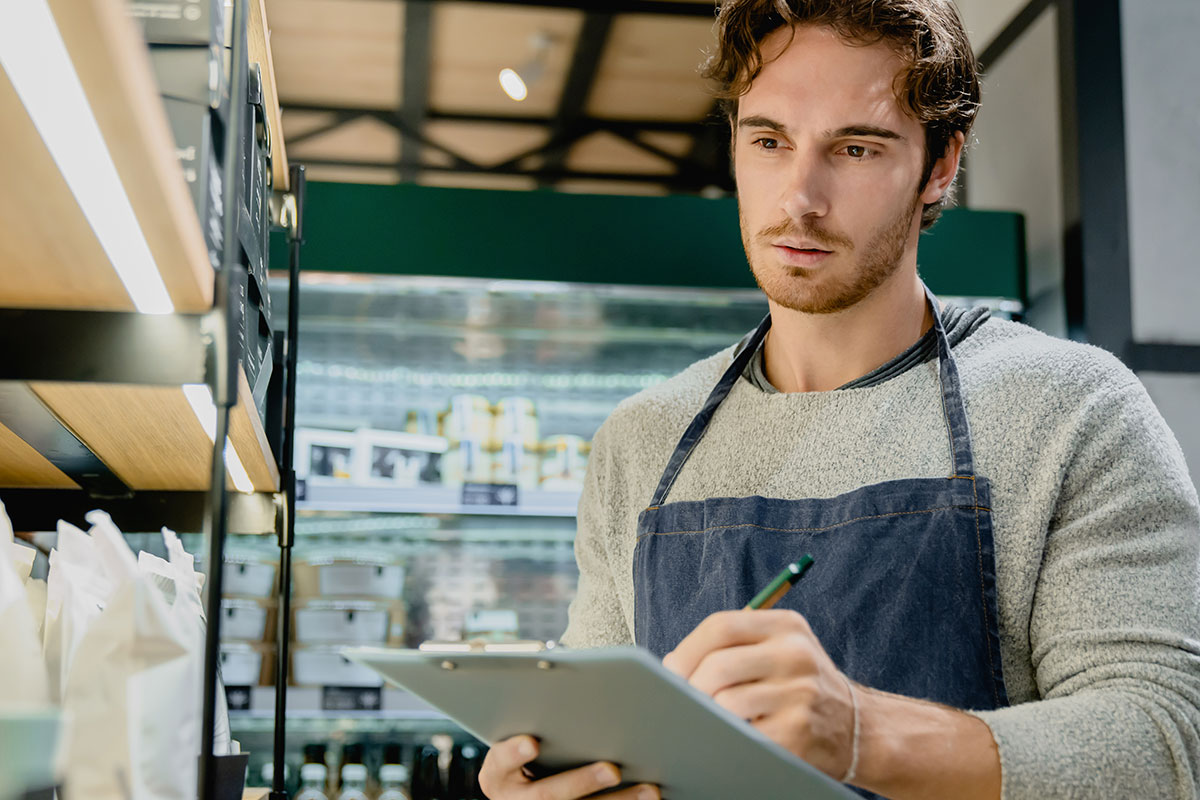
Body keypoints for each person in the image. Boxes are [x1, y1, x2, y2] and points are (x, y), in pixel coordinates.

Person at [477, 1, 1200, 798]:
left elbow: (1166, 741)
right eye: (768, 141)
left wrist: (863, 734)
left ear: (940, 165)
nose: (800, 198)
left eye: (855, 147)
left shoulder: (1071, 409)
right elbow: (603, 728)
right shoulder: (642, 440)